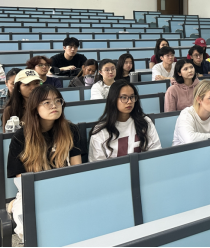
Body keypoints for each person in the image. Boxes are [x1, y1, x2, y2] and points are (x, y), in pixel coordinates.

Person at [7, 85, 82, 240]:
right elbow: (22, 181)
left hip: (67, 188)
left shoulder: (70, 130)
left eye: (58, 101)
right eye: (47, 102)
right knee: (35, 231)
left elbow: (77, 170)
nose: (54, 105)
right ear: (35, 108)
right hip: (33, 193)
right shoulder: (21, 137)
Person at [89, 80, 162, 161]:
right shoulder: (100, 132)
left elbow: (155, 152)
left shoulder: (145, 122)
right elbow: (97, 165)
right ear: (113, 99)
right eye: (124, 97)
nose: (129, 101)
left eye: (132, 97)